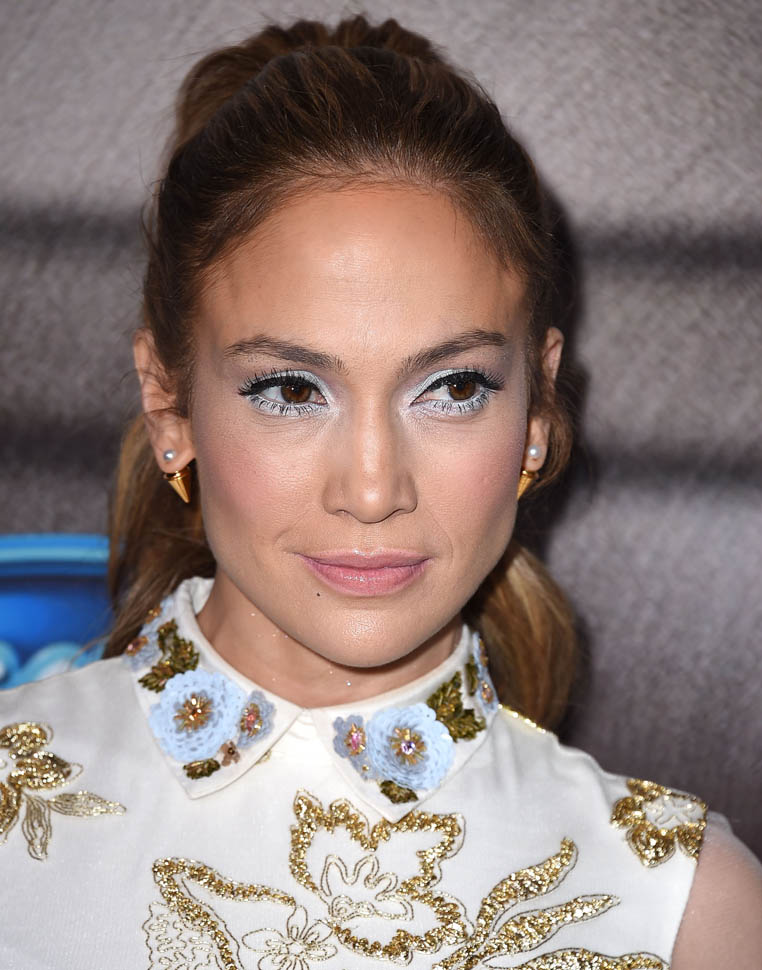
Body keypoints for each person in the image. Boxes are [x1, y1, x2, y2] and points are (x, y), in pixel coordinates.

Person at [1, 15, 760, 969]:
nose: (371, 490)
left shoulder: (686, 912)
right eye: (291, 391)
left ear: (537, 407)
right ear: (168, 403)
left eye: (453, 388)